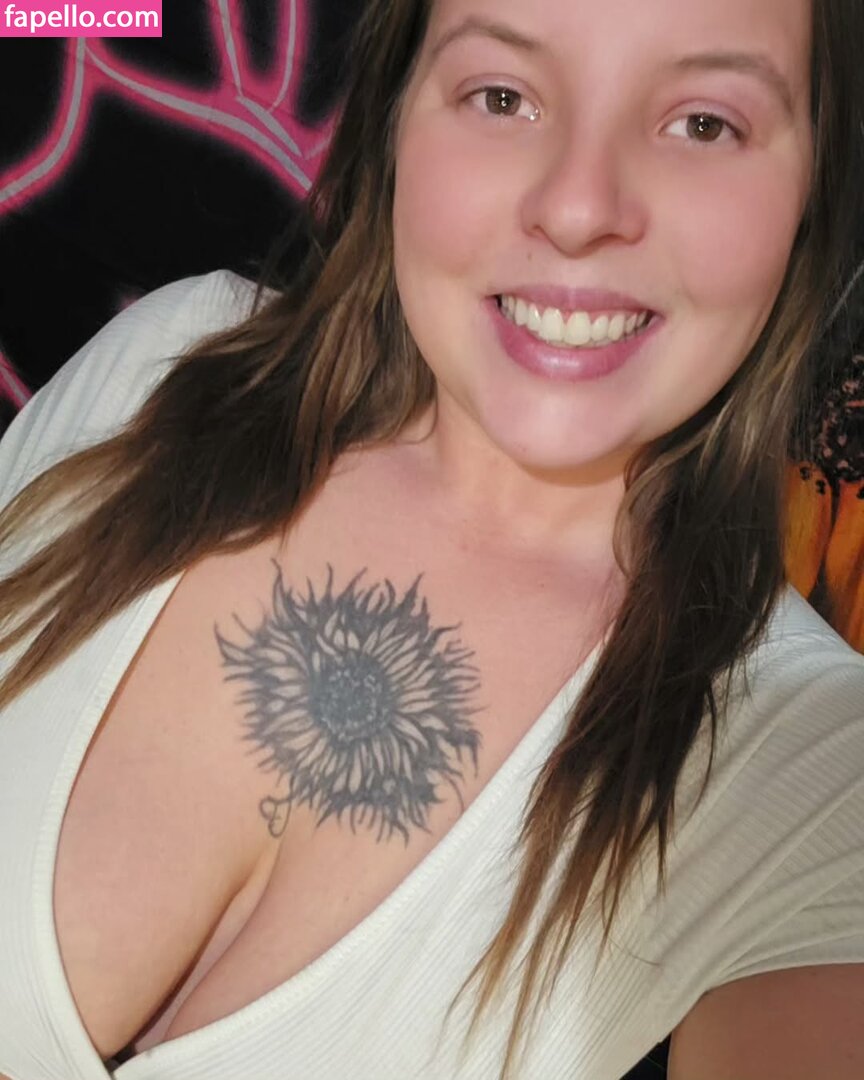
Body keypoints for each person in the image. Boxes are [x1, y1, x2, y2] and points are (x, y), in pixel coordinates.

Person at [0, 0, 862, 1077]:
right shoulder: (162, 371)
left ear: (814, 187)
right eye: (502, 96)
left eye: (703, 124)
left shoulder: (817, 766)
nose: (578, 207)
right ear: (397, 111)